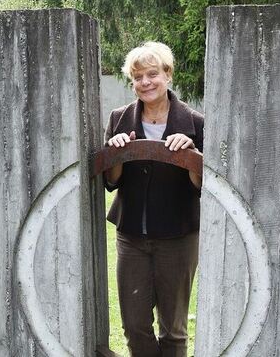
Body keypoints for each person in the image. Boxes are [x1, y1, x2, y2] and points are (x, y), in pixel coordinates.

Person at [104, 41, 203, 357]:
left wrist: (192, 154)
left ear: (167, 74)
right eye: (137, 77)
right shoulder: (119, 119)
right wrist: (115, 152)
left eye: (151, 74)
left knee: (173, 330)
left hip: (178, 238)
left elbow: (203, 187)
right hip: (131, 237)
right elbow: (111, 181)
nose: (145, 82)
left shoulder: (196, 123)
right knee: (134, 325)